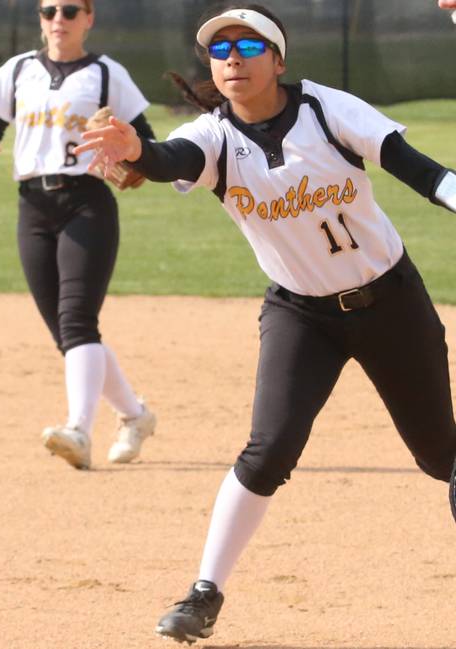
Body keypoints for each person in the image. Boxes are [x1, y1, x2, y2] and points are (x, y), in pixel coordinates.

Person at [75, 3, 456, 644]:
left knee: (443, 456)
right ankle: (203, 593)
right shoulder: (214, 135)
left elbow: (421, 171)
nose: (232, 61)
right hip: (301, 313)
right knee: (269, 448)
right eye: (220, 51)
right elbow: (171, 159)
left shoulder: (327, 110)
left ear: (279, 60)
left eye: (249, 49)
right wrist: (137, 149)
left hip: (390, 302)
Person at [0, 0, 157, 470]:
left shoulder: (107, 74)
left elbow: (144, 138)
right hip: (32, 206)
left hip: (86, 204)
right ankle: (135, 416)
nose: (58, 19)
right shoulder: (18, 71)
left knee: (76, 323)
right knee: (69, 334)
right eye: (49, 9)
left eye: (70, 10)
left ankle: (78, 430)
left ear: (89, 19)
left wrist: (133, 157)